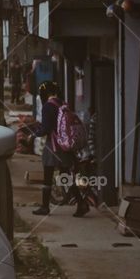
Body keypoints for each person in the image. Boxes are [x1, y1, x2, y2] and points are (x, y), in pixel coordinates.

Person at [32, 81, 88, 217]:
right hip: (64, 145)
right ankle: (81, 204)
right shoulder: (62, 104)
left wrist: (34, 134)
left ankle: (45, 207)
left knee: (48, 175)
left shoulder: (48, 106)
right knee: (66, 175)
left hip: (53, 145)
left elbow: (46, 129)